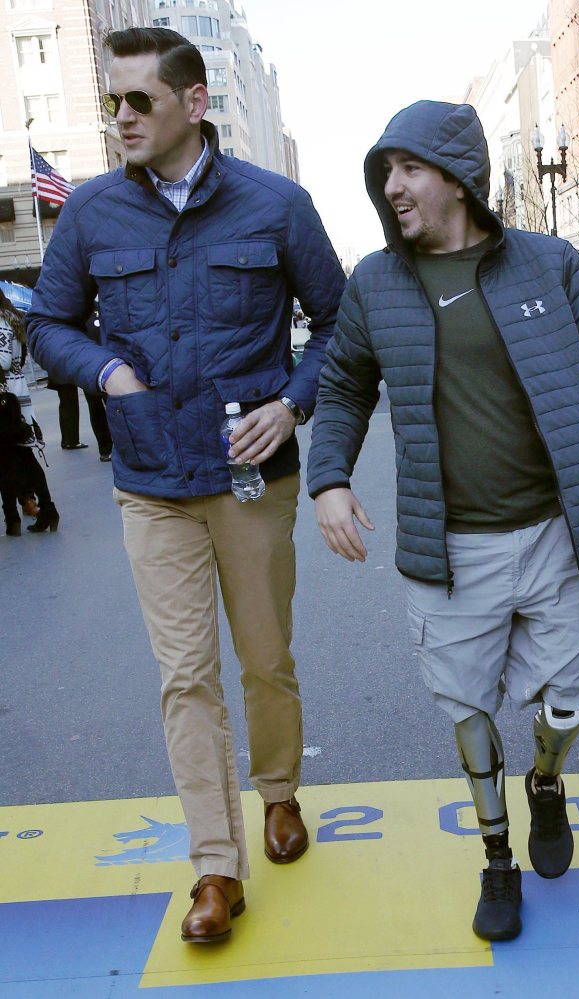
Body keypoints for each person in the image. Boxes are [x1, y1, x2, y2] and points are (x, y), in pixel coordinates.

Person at [27, 28, 346, 943]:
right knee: (185, 678)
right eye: (111, 103)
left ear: (193, 103)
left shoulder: (276, 205)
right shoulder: (90, 213)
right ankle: (216, 865)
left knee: (264, 657)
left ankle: (279, 791)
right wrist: (104, 372)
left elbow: (339, 324)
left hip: (252, 478)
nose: (120, 118)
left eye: (138, 102)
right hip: (149, 481)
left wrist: (291, 403)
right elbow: (49, 321)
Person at [307, 100, 579, 942]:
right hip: (448, 547)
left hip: (556, 534)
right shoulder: (376, 283)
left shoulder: (548, 263)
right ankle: (497, 860)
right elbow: (344, 383)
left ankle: (546, 783)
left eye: (408, 169)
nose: (392, 187)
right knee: (465, 708)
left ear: (457, 178)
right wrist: (329, 479)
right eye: (384, 173)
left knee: (566, 698)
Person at [0, 290, 58, 535]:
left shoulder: (1, 322)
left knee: (14, 459)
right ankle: (33, 511)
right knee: (16, 459)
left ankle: (20, 516)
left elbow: (2, 361)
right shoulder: (9, 318)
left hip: (6, 400)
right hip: (13, 395)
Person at [47, 312, 113, 460]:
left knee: (107, 404)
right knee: (97, 406)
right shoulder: (76, 311)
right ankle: (106, 448)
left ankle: (108, 448)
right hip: (88, 363)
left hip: (97, 360)